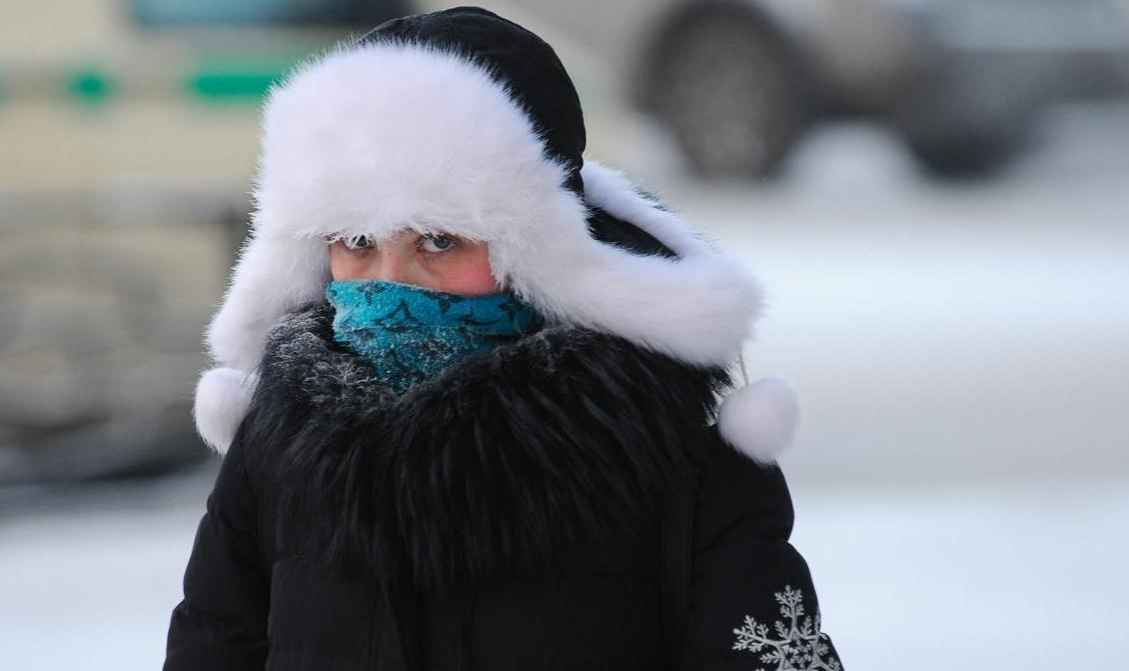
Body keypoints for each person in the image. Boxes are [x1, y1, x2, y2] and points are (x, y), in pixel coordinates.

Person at [165, 6, 842, 671]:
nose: (389, 281)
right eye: (355, 241)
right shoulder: (281, 440)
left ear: (538, 251)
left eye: (439, 240)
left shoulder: (681, 451)